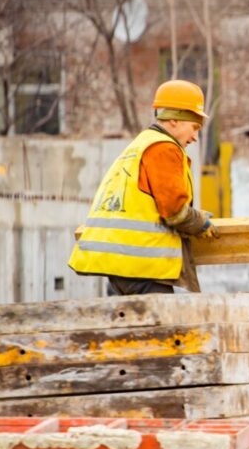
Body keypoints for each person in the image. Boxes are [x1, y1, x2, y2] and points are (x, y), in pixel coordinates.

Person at [69, 80, 218, 295]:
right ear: (175, 120)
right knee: (162, 329)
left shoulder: (141, 144)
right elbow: (175, 212)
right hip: (144, 270)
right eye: (194, 127)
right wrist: (199, 222)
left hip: (120, 271)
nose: (195, 137)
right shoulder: (164, 149)